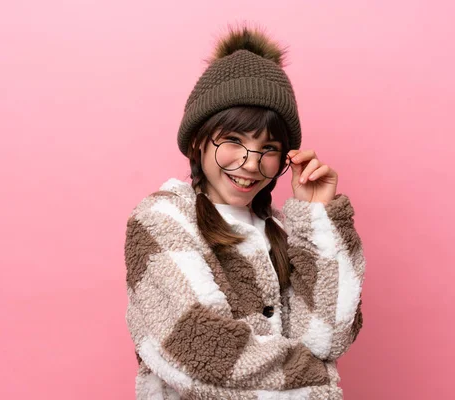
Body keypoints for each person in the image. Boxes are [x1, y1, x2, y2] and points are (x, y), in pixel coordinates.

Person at [124, 25, 365, 399]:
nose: (251, 164)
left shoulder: (282, 231)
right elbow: (199, 353)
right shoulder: (162, 220)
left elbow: (329, 335)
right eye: (233, 140)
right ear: (198, 142)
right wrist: (318, 384)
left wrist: (316, 215)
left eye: (268, 147)